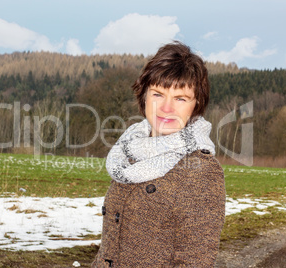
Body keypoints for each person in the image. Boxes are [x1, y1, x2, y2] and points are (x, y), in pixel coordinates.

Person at [92, 41, 225, 267]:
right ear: (144, 96)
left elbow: (195, 261)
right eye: (158, 94)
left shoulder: (202, 170)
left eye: (180, 98)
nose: (166, 108)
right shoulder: (130, 150)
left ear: (197, 103)